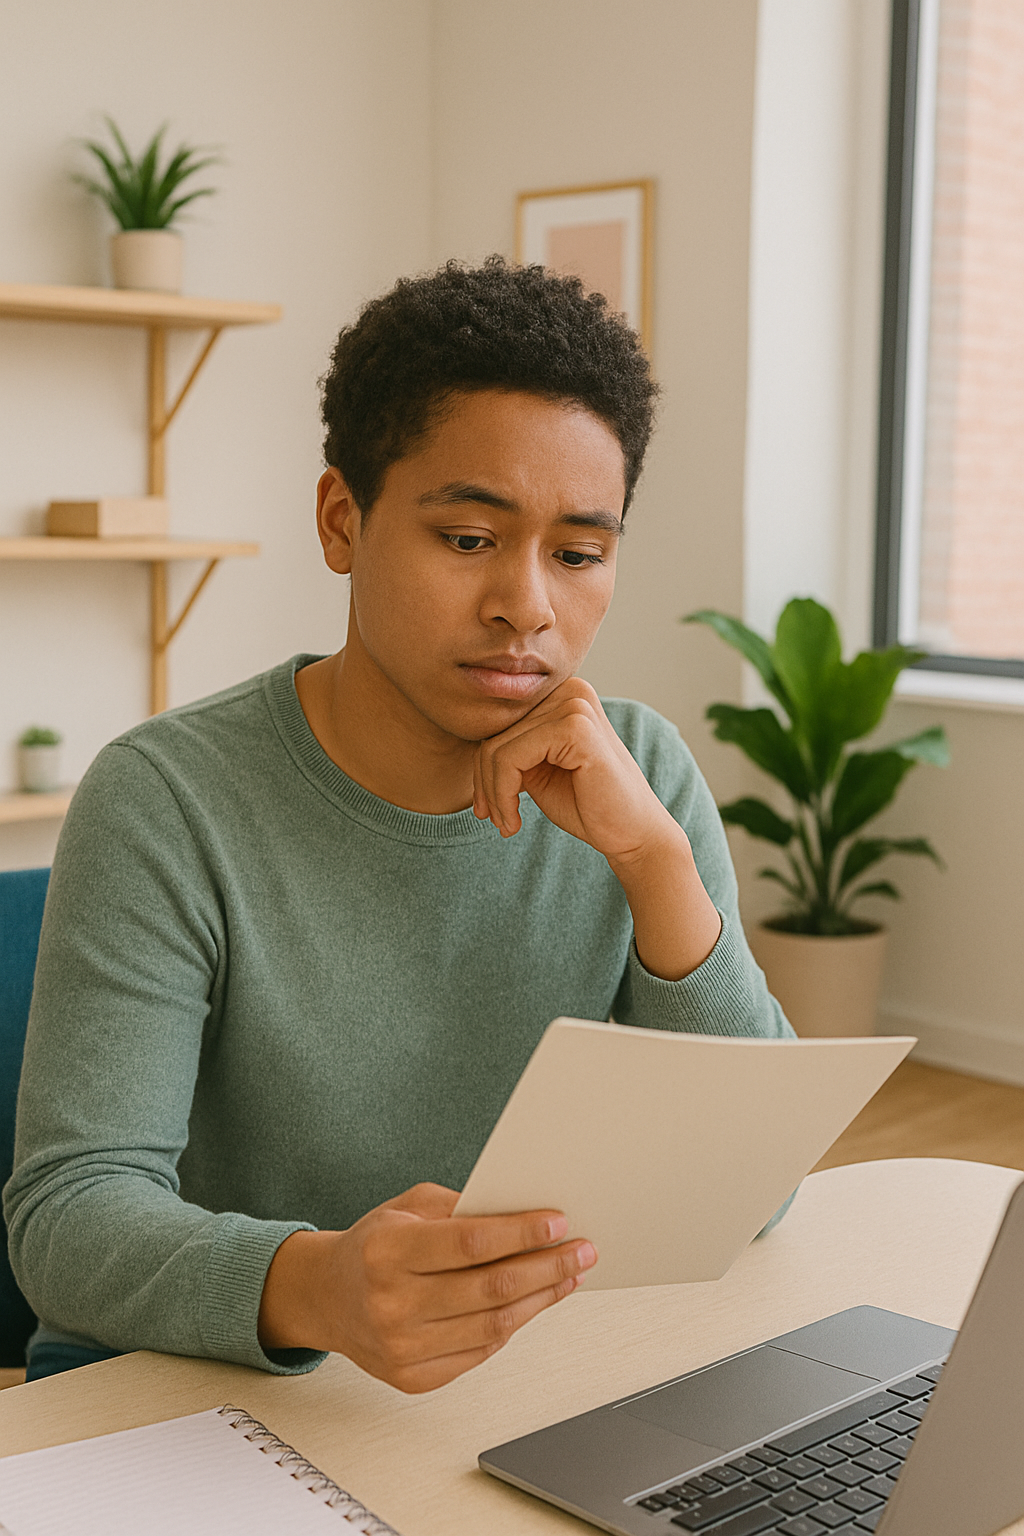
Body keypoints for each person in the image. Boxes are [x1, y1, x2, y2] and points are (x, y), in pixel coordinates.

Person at [5, 258, 793, 1393]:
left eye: (578, 554)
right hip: (202, 1399)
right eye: (469, 538)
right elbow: (67, 1224)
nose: (527, 604)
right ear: (343, 520)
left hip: (504, 1392)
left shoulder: (641, 773)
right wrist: (320, 1285)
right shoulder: (166, 799)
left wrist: (656, 865)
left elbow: (755, 1191)